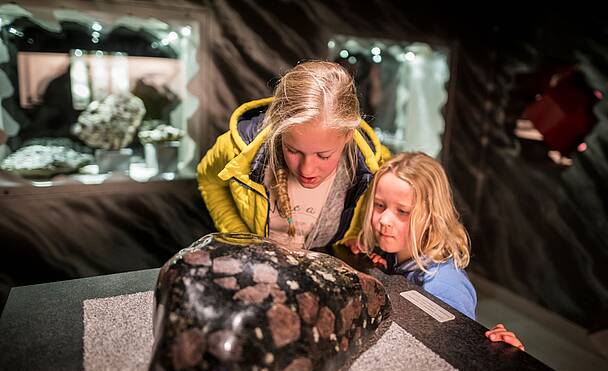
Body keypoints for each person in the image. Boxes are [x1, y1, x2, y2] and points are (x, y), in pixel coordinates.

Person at [197, 60, 389, 250]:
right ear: (279, 130)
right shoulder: (236, 149)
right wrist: (239, 235)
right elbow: (209, 180)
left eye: (323, 155)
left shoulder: (378, 164)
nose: (307, 169)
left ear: (348, 135)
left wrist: (359, 233)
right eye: (293, 150)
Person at [350, 152, 524, 350]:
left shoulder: (443, 287)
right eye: (380, 205)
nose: (384, 220)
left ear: (432, 216)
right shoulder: (392, 253)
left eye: (403, 211)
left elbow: (456, 350)